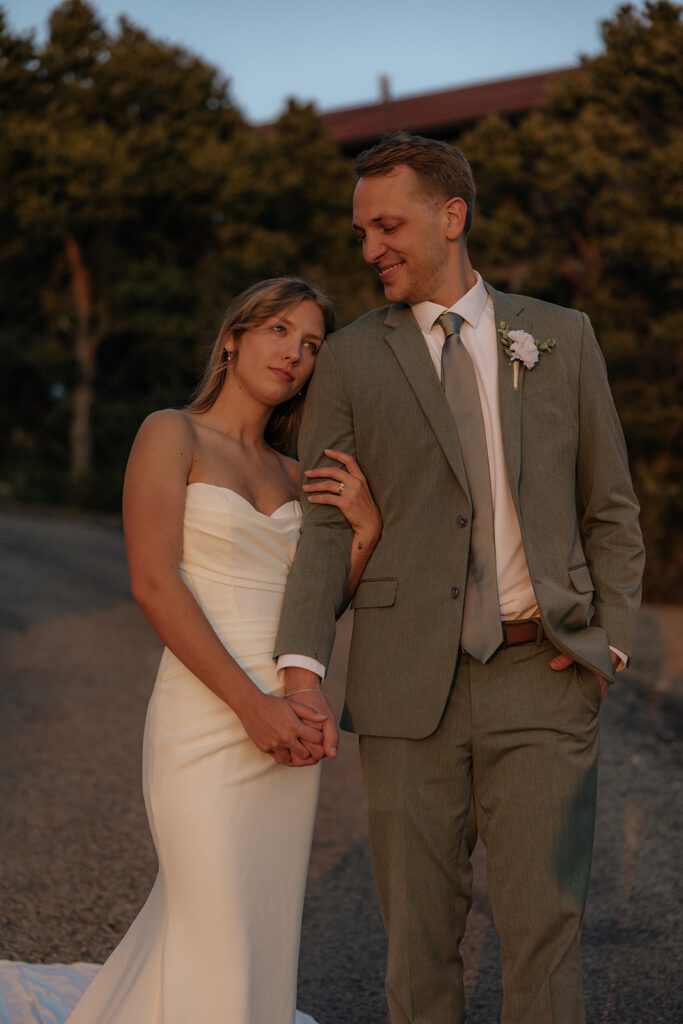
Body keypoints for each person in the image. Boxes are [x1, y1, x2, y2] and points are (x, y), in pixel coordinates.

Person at [275, 133, 645, 1024]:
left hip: (543, 678)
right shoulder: (353, 359)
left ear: (451, 216)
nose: (370, 250)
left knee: (545, 936)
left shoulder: (559, 337)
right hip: (405, 690)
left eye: (387, 225)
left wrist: (611, 645)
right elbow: (324, 531)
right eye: (361, 232)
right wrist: (302, 670)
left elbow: (612, 511)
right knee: (417, 946)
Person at [59, 277, 382, 1024]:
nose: (293, 354)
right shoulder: (170, 432)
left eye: (309, 346)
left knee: (254, 931)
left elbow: (314, 609)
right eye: (278, 331)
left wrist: (363, 533)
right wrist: (251, 707)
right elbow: (151, 582)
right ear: (234, 335)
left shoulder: (297, 474)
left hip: (284, 723)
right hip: (208, 715)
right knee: (218, 931)